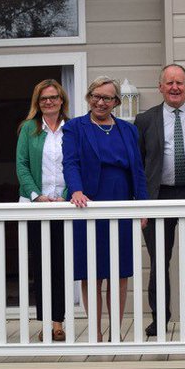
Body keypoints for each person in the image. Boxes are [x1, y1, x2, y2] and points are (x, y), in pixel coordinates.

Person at [63, 77, 148, 341]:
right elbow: (71, 162)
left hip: (121, 202)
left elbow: (138, 170)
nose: (101, 102)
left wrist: (142, 205)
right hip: (88, 204)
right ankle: (96, 333)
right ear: (89, 97)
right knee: (92, 271)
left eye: (107, 98)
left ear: (116, 102)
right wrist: (75, 190)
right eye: (96, 96)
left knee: (119, 271)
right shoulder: (75, 127)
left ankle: (115, 332)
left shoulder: (128, 130)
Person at [135, 64, 185, 338]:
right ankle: (159, 318)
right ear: (160, 87)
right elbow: (140, 161)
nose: (174, 87)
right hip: (159, 196)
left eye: (179, 83)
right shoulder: (145, 120)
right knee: (160, 261)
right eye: (169, 83)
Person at [15, 79, 69, 342]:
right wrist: (37, 196)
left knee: (61, 264)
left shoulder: (72, 129)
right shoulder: (29, 129)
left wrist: (67, 197)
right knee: (42, 265)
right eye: (44, 98)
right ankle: (47, 322)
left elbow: (76, 164)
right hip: (38, 207)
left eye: (53, 97)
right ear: (37, 102)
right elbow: (22, 165)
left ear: (62, 100)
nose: (49, 102)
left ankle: (59, 323)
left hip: (66, 208)